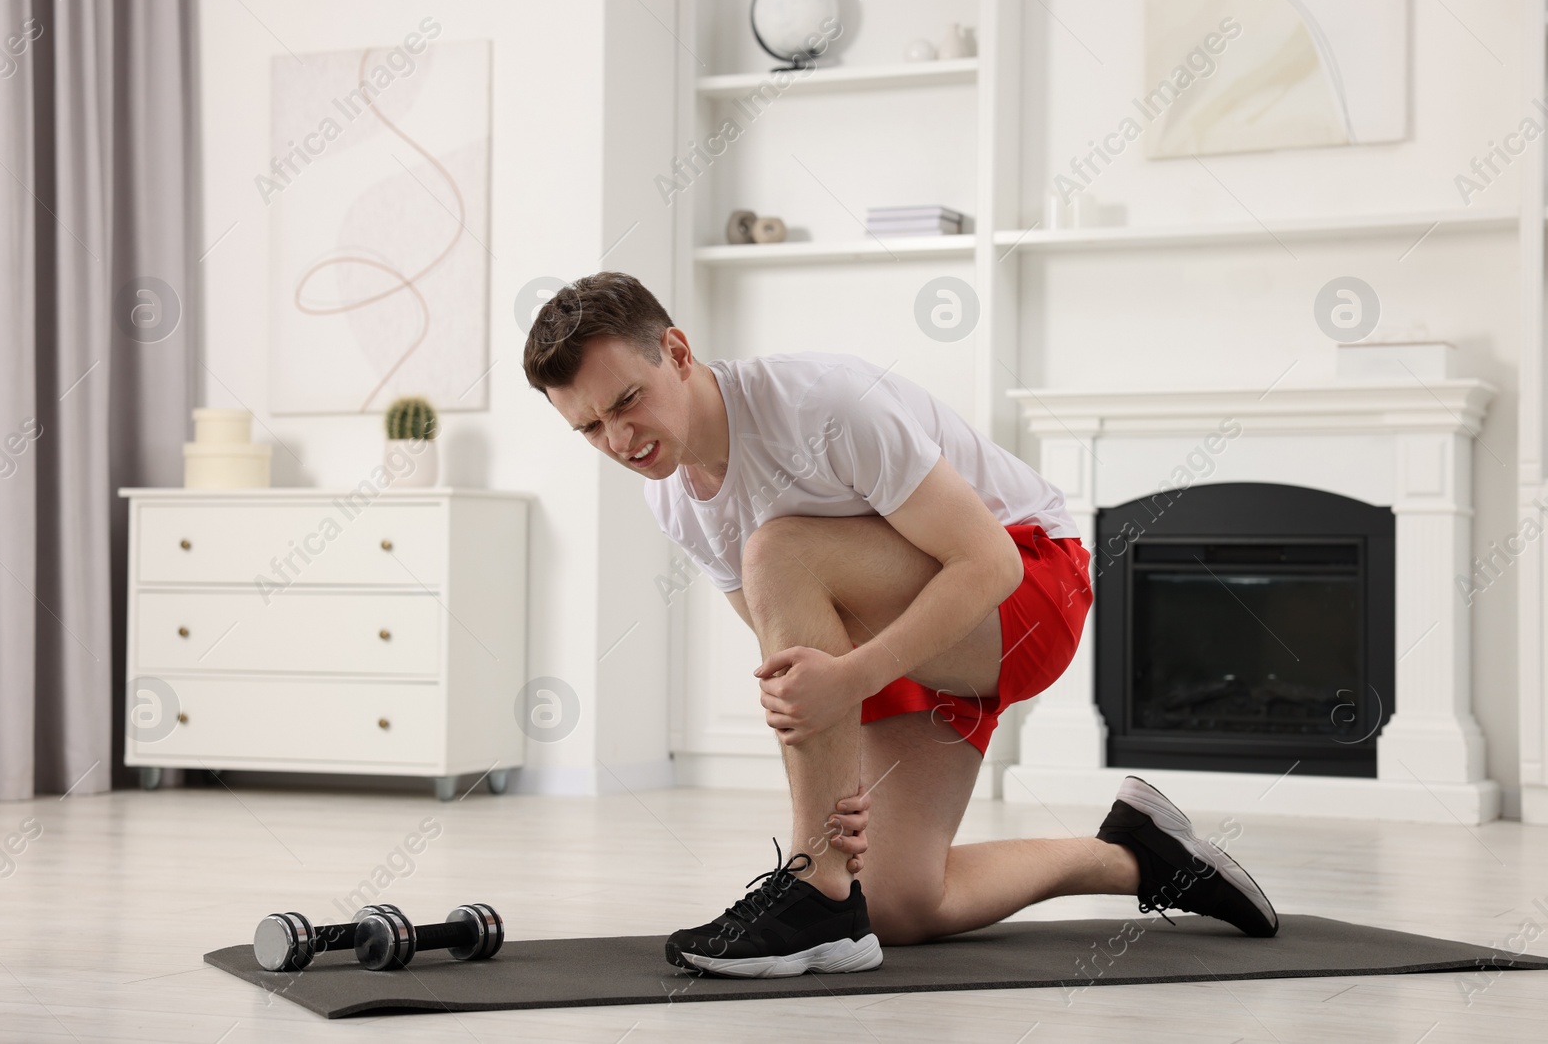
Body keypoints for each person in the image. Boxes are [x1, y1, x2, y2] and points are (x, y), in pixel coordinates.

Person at [523, 272, 1278, 978]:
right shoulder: (672, 496)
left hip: (1026, 587)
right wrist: (836, 782)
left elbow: (989, 564)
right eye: (590, 427)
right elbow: (789, 656)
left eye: (627, 401)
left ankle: (810, 889)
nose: (621, 440)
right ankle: (1141, 855)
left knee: (779, 546)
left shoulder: (821, 405)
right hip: (905, 636)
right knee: (897, 905)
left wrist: (847, 692)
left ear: (678, 353)